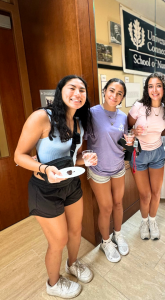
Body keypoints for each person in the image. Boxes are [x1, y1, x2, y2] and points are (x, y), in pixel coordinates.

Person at [14, 75, 97, 298]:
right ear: (60, 91)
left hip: (71, 185)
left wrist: (85, 161)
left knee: (76, 230)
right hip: (44, 189)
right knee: (58, 240)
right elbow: (19, 156)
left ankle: (72, 263)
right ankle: (53, 283)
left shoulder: (78, 121)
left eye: (82, 90)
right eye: (72, 88)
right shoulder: (42, 117)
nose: (77, 93)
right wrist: (44, 168)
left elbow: (71, 160)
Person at [84, 78, 129, 263]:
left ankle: (118, 235)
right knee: (106, 207)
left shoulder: (123, 117)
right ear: (104, 91)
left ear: (122, 98)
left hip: (118, 167)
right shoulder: (91, 114)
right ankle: (106, 241)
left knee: (118, 204)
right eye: (111, 91)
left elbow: (123, 143)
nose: (114, 96)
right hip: (98, 169)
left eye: (119, 93)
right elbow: (82, 141)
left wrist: (130, 143)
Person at [128, 72, 165, 240]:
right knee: (145, 194)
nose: (154, 90)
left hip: (157, 153)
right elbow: (127, 127)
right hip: (139, 154)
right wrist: (134, 131)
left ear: (164, 88)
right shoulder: (138, 106)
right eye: (151, 86)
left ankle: (152, 221)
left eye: (158, 85)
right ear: (147, 89)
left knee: (156, 193)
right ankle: (144, 221)